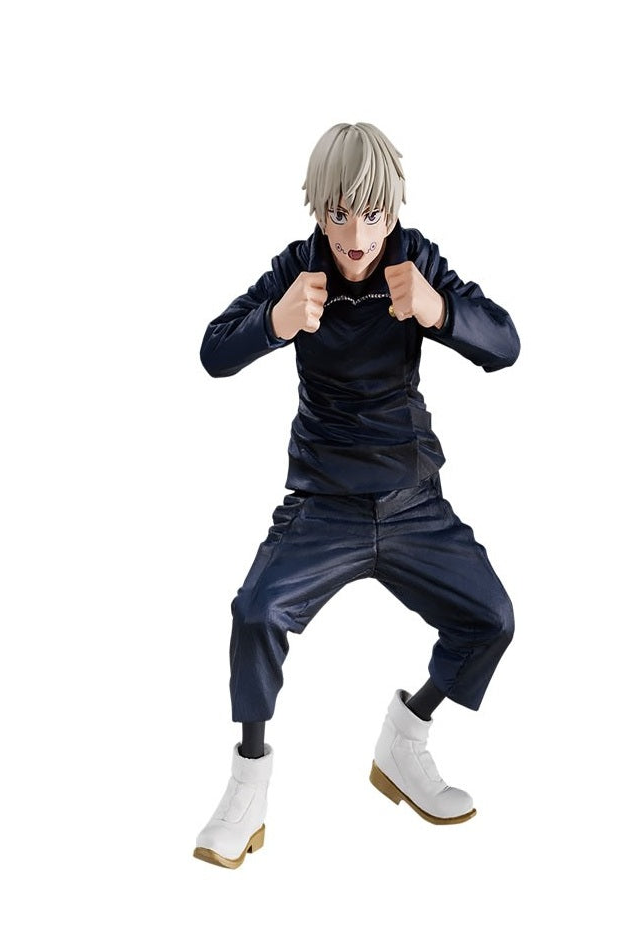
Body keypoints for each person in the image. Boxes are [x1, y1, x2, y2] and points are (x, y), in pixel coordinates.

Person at [193, 122, 520, 868]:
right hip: (324, 504)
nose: (356, 235)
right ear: (318, 209)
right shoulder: (297, 269)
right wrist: (274, 324)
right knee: (255, 613)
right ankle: (246, 788)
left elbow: (506, 344)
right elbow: (213, 351)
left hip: (412, 502)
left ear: (393, 209)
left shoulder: (415, 259)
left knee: (491, 620)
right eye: (339, 214)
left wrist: (440, 311)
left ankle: (405, 739)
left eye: (372, 215)